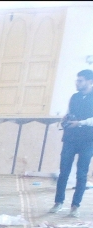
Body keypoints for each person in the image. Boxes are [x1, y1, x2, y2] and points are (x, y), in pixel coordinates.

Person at [51, 70, 93, 218]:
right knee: (64, 172)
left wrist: (80, 123)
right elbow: (69, 112)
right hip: (70, 139)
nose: (77, 83)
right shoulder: (74, 97)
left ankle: (75, 206)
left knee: (81, 174)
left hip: (88, 141)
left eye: (80, 81)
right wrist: (66, 119)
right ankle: (58, 202)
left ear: (89, 81)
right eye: (77, 80)